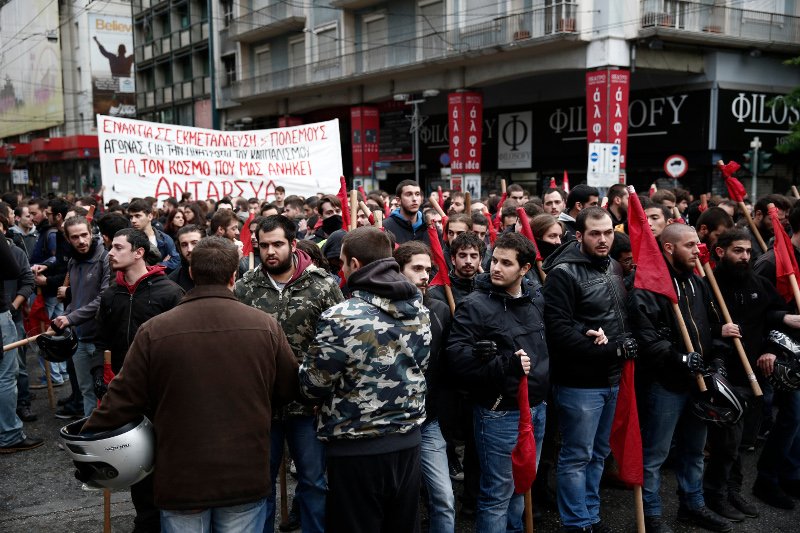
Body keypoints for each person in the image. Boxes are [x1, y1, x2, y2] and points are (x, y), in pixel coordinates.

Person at [82, 237, 299, 531]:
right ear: (234, 275)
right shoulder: (265, 326)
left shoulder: (155, 330)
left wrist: (87, 437)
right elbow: (288, 388)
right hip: (242, 472)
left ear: (192, 273)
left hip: (182, 477)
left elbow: (122, 398)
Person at [298, 226, 431, 533]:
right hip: (407, 441)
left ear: (355, 265)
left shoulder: (340, 316)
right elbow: (421, 365)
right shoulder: (419, 309)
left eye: (342, 263)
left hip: (356, 446)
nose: (340, 269)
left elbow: (313, 385)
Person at [235, 215, 343, 533]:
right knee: (259, 485)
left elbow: (336, 345)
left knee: (314, 482)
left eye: (278, 244)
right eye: (264, 245)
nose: (270, 251)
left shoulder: (323, 286)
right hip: (261, 406)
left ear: (293, 244)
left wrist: (322, 392)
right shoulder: (245, 289)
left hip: (307, 407)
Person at [629, 223, 733, 533]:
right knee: (656, 454)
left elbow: (710, 327)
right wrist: (678, 357)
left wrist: (716, 358)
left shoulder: (698, 282)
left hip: (698, 381)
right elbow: (646, 335)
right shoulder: (649, 284)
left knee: (694, 449)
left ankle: (692, 505)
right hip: (666, 383)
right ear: (669, 248)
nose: (698, 250)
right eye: (690, 245)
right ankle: (652, 514)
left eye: (698, 244)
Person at [542, 206, 635, 533]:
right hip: (579, 383)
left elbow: (618, 316)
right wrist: (610, 348)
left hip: (612, 378)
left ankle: (591, 517)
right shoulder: (563, 274)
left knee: (598, 454)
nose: (603, 239)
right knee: (576, 456)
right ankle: (576, 523)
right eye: (595, 233)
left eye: (608, 232)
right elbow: (558, 331)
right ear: (578, 235)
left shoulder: (613, 266)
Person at [447, 232, 548, 532]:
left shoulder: (535, 298)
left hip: (536, 408)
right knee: (497, 495)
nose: (496, 268)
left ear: (525, 269)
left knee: (521, 486)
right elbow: (457, 359)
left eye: (506, 263)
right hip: (499, 412)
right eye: (495, 260)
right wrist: (504, 364)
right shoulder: (474, 305)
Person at [92, 228, 184, 533]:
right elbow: (101, 341)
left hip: (164, 394)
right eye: (111, 247)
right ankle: (146, 520)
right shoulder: (109, 295)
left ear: (139, 252)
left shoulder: (169, 293)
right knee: (138, 460)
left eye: (118, 247)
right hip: (126, 393)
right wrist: (99, 375)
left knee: (169, 458)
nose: (111, 253)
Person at [704, 228, 797, 519]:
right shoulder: (707, 284)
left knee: (745, 440)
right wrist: (715, 330)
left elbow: (773, 317)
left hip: (754, 373)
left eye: (747, 251)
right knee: (725, 442)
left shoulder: (757, 282)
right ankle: (715, 495)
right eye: (738, 251)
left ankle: (734, 492)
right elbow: (690, 324)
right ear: (721, 252)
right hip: (722, 373)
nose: (745, 256)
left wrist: (771, 348)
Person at [394, 241, 456, 533]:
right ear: (398, 271)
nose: (424, 276)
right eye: (416, 269)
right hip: (395, 423)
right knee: (400, 504)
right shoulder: (385, 313)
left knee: (443, 497)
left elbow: (448, 361)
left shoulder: (440, 310)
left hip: (429, 420)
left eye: (428, 270)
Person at [51, 216, 110, 418]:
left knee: (105, 392)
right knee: (86, 391)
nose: (81, 241)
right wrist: (63, 318)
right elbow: (76, 300)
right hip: (80, 338)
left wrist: (71, 318)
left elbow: (104, 299)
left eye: (84, 235)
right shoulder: (74, 262)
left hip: (100, 339)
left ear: (91, 232)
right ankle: (89, 435)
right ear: (68, 239)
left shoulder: (106, 258)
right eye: (75, 237)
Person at [0, 231, 42, 453]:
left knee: (13, 371)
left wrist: (13, 307)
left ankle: (12, 421)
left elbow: (25, 278)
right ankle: (8, 435)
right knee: (6, 375)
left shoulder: (16, 249)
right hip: (0, 316)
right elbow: (12, 270)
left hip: (8, 314)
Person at [0, 214, 35, 423]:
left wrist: (14, 305)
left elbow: (28, 281)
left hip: (13, 316)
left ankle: (23, 404)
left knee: (18, 366)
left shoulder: (16, 252)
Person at [126, 199, 180, 273]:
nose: (133, 220)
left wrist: (157, 266)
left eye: (137, 216)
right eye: (131, 217)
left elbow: (175, 260)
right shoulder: (127, 239)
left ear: (150, 216)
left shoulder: (164, 239)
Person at [382, 180, 432, 245]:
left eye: (417, 194)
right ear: (398, 200)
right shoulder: (386, 227)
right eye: (409, 194)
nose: (414, 199)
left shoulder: (430, 226)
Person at [168, 224, 205, 292]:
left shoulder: (221, 271)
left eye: (194, 243)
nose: (189, 249)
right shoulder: (173, 281)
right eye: (184, 245)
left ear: (206, 243)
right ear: (179, 248)